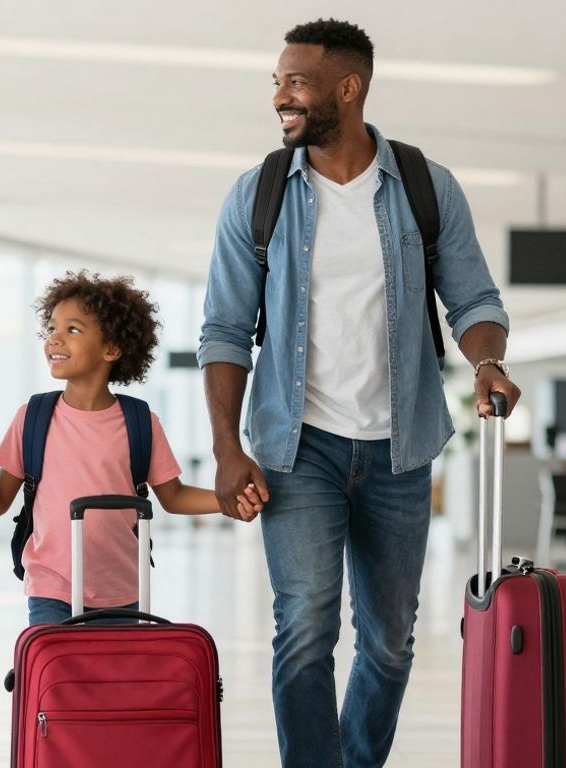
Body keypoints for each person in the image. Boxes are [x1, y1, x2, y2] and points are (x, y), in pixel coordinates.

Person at [196, 19, 522, 767]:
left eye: (296, 82)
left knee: (389, 640)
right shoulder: (260, 195)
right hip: (295, 446)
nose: (280, 95)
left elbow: (473, 303)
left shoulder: (423, 188)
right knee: (305, 626)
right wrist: (225, 448)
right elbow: (223, 330)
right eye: (277, 80)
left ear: (349, 88)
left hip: (399, 449)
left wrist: (485, 363)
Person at [0, 271, 261, 625]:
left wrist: (228, 499)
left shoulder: (141, 422)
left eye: (72, 330)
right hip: (51, 586)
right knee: (58, 676)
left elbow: (173, 496)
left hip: (122, 589)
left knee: (112, 679)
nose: (54, 340)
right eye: (51, 329)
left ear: (111, 349)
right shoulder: (33, 417)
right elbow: (1, 496)